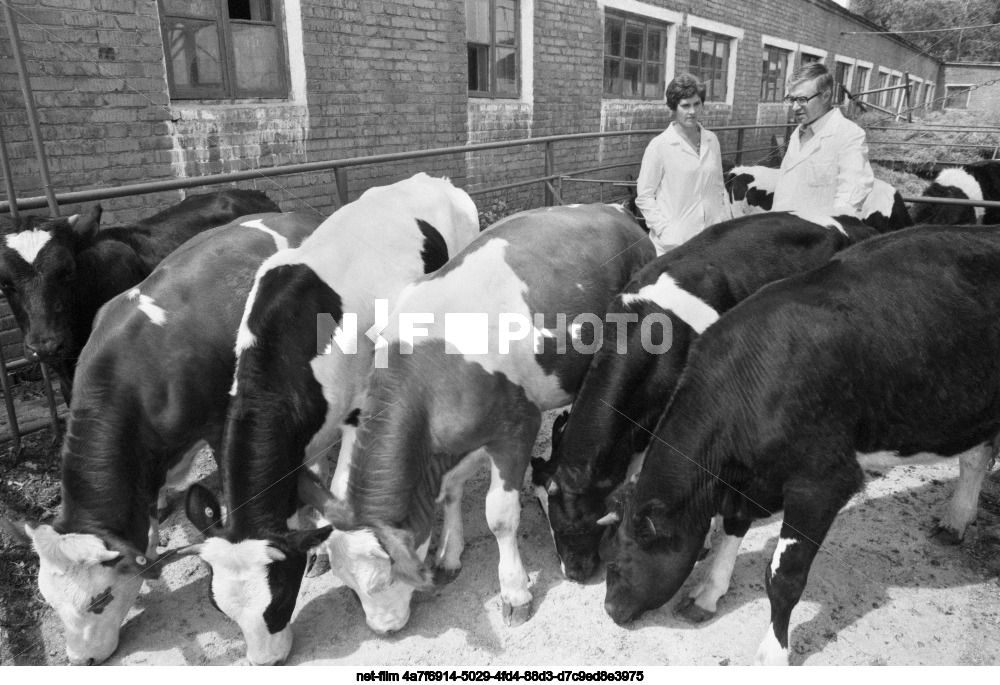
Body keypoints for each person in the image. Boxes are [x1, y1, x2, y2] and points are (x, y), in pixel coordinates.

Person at [635, 73, 729, 256]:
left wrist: (721, 220)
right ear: (673, 108)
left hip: (711, 240)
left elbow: (718, 184)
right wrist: (665, 231)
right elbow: (644, 195)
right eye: (685, 106)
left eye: (697, 104)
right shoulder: (660, 146)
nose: (692, 111)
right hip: (674, 246)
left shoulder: (712, 140)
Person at [772, 63, 874, 217]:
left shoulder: (850, 134)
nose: (794, 107)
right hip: (781, 228)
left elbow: (854, 190)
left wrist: (828, 230)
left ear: (825, 96)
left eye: (801, 99)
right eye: (791, 99)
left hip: (816, 235)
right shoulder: (798, 132)